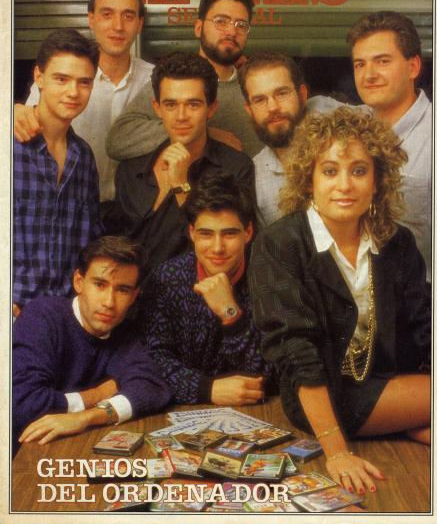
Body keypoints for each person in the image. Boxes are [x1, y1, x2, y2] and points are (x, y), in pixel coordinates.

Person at [249, 107, 430, 495]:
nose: (344, 185)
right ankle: (411, 422)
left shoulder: (397, 242)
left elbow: (425, 327)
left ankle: (410, 424)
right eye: (330, 171)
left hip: (387, 381)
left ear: (378, 180)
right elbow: (297, 352)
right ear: (309, 180)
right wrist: (337, 452)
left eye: (359, 171)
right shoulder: (280, 244)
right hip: (318, 397)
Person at [13, 236, 171, 451]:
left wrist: (86, 417)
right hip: (20, 453)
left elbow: (153, 388)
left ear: (134, 296)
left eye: (122, 290)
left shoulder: (124, 332)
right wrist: (97, 395)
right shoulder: (42, 316)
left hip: (76, 447)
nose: (109, 302)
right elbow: (22, 403)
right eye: (99, 284)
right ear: (79, 282)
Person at [114, 51, 254, 284]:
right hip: (129, 298)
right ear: (157, 108)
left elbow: (226, 252)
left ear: (211, 108)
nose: (181, 116)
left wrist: (181, 186)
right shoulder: (130, 170)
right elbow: (117, 244)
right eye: (170, 104)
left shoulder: (235, 168)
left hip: (194, 297)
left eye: (193, 104)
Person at [14, 0, 153, 205]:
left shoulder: (154, 81)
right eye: (107, 14)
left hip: (134, 210)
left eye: (128, 16)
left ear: (140, 24)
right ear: (91, 19)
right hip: (72, 202)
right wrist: (13, 112)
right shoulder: (66, 75)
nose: (118, 26)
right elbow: (27, 120)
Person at [144, 172, 275, 406]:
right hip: (179, 410)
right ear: (192, 233)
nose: (217, 248)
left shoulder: (270, 279)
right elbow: (152, 361)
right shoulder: (167, 278)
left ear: (248, 233)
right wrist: (206, 389)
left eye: (229, 234)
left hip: (258, 410)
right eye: (206, 234)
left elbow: (270, 373)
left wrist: (231, 314)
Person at [106, 0, 263, 160]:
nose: (232, 31)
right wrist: (203, 133)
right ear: (198, 28)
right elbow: (117, 140)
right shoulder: (174, 81)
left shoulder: (255, 87)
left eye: (241, 25)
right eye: (221, 21)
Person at [13, 29, 103, 315]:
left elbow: (91, 242)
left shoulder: (84, 156)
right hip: (14, 314)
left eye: (84, 82)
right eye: (61, 79)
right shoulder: (9, 145)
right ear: (38, 77)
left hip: (66, 315)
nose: (73, 92)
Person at [347, 11, 432, 279]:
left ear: (413, 67)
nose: (368, 75)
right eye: (360, 64)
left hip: (424, 293)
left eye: (382, 61)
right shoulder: (349, 127)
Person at [238, 52, 341, 226]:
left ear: (302, 95)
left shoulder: (339, 130)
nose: (273, 107)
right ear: (249, 110)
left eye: (281, 94)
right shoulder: (254, 176)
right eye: (260, 100)